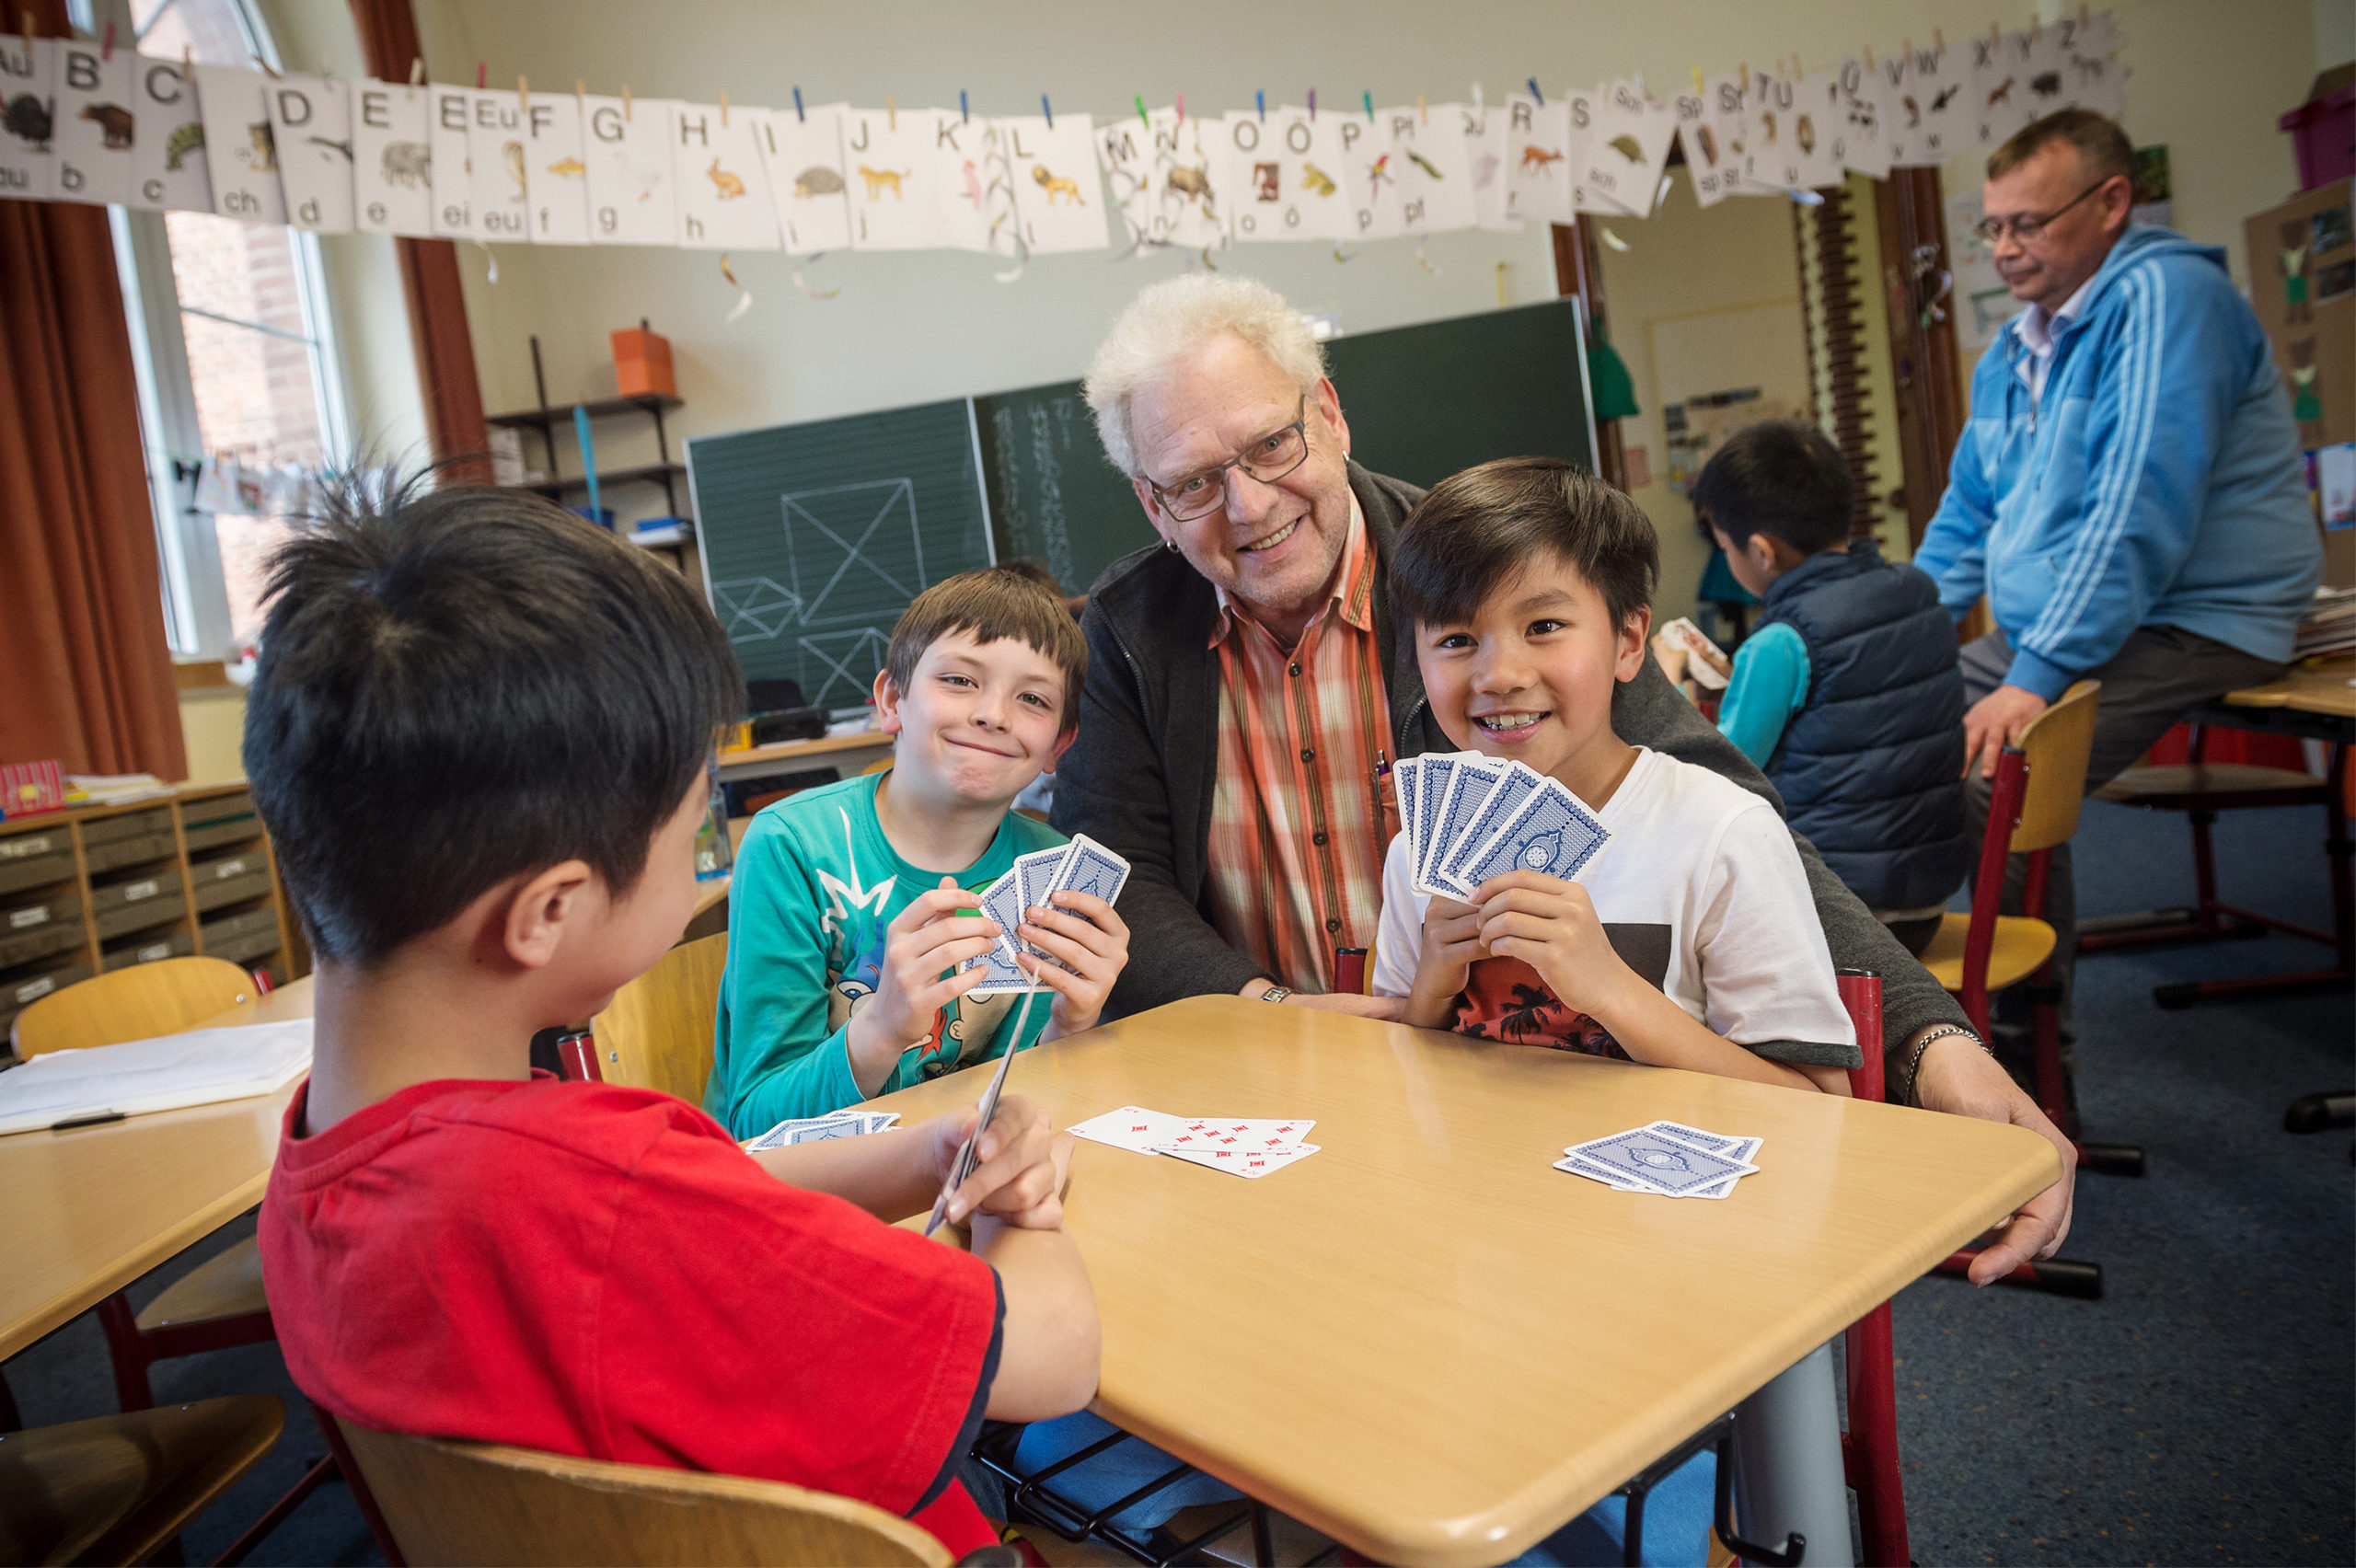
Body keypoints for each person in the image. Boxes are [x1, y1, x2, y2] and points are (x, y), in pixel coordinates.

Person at [1057, 271, 2077, 1284]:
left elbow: (1724, 818)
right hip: (1270, 1093)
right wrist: (1261, 1008)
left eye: (1270, 444)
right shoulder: (1128, 631)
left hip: (1522, 1133)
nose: (1245, 502)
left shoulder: (1481, 578)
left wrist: (1934, 1046)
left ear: (1327, 415)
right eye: (1191, 481)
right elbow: (1115, 878)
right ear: (1152, 502)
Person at [248, 483, 1099, 1559]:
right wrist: (1023, 1209)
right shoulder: (617, 1203)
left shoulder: (329, 1145)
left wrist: (927, 1152)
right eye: (691, 824)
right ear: (550, 913)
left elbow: (712, 1199)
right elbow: (1055, 1359)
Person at [1915, 109, 2322, 1039]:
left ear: (2110, 202)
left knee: (1996, 771)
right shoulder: (2018, 346)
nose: (2006, 250)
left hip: (2197, 616)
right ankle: (1927, 1007)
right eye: (1993, 228)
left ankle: (2021, 1051)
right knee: (1891, 725)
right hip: (2077, 623)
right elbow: (1967, 514)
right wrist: (1897, 640)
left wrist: (2033, 677)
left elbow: (2136, 513)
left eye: (2030, 224)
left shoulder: (2166, 300)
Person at [1376, 456, 1863, 1104]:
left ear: (1630, 640)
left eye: (1543, 627)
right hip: (1482, 1194)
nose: (1499, 674)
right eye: (1458, 639)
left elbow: (1822, 1104)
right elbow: (1399, 1087)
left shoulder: (1721, 836)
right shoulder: (1421, 855)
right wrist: (1430, 994)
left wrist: (1610, 989)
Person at [706, 562, 1131, 1137]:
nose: (992, 714)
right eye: (959, 681)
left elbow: (1022, 1111)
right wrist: (881, 1028)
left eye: (1033, 698)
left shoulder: (1053, 874)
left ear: (1058, 745)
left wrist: (1071, 1024)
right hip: (803, 1188)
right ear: (891, 700)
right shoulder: (792, 846)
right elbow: (753, 1123)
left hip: (955, 1176)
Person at [1657, 421, 1969, 956]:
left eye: (1727, 548)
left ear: (1761, 551)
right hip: (1931, 897)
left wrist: (1671, 681)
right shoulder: (1917, 591)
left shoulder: (1781, 642)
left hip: (1845, 922)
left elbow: (1715, 778)